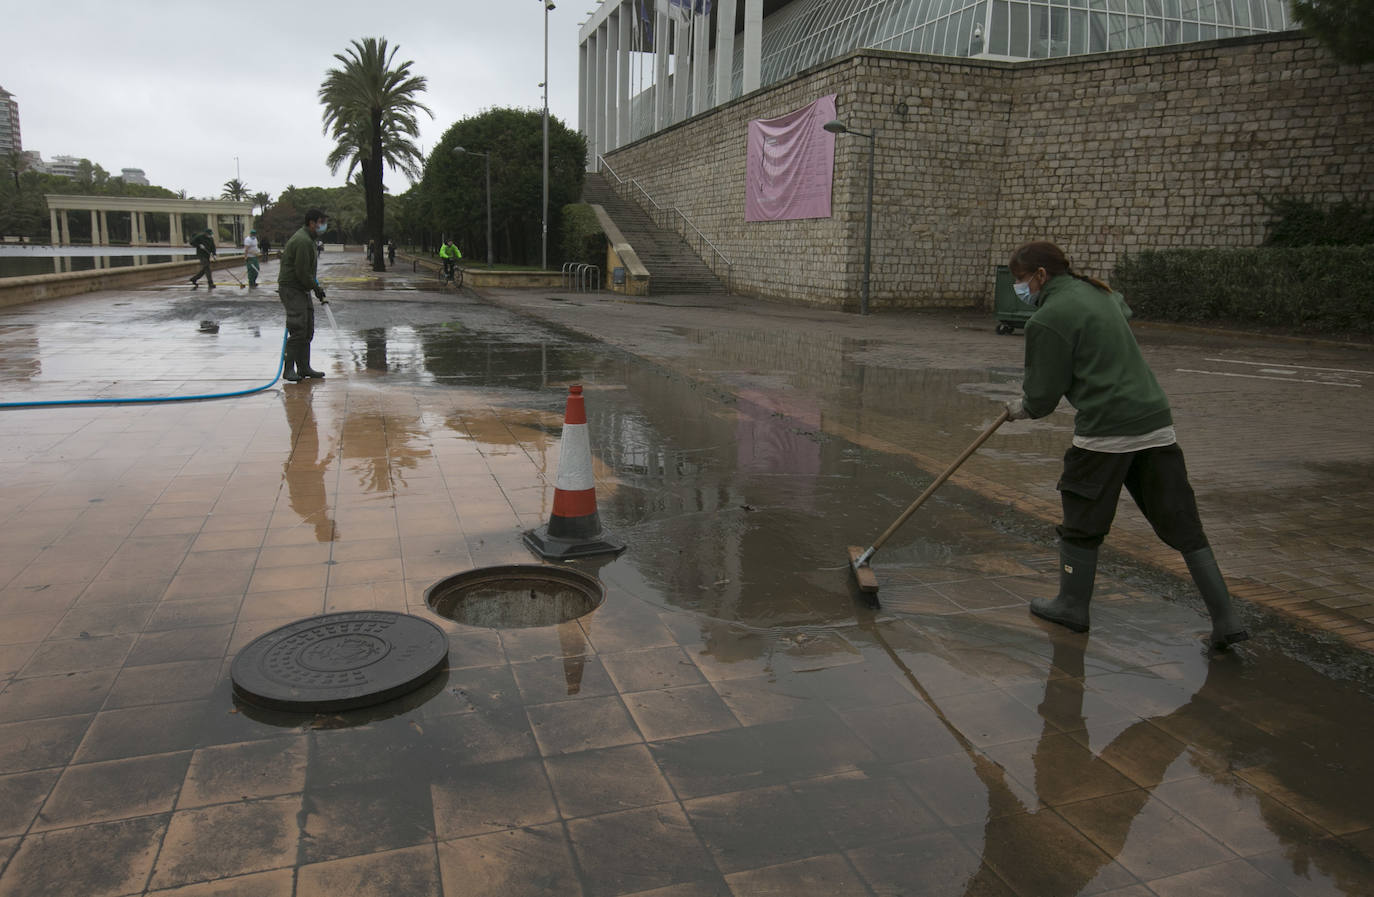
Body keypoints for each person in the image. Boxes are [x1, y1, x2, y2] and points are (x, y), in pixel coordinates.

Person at [1002, 240, 1248, 650]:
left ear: (1041, 276)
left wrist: (1020, 407)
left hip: (1106, 430)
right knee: (1180, 519)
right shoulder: (1102, 293)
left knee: (1082, 521)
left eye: (1020, 280)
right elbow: (1122, 312)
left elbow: (1042, 398)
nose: (1020, 289)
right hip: (1154, 421)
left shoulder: (1047, 319)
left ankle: (1071, 606)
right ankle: (1227, 618)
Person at [278, 209, 330, 383]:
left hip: (302, 288)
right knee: (299, 328)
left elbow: (306, 272)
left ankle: (304, 367)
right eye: (321, 222)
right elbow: (301, 272)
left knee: (307, 329)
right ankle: (289, 369)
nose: (323, 226)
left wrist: (314, 288)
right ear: (312, 223)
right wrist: (316, 288)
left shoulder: (309, 240)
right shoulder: (302, 241)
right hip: (292, 288)